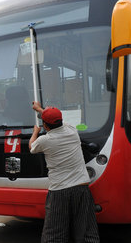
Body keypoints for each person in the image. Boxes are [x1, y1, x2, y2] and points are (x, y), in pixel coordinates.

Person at [29, 101, 99, 243]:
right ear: (61, 121)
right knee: (86, 232)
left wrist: (35, 132)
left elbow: (32, 147)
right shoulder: (72, 130)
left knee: (55, 234)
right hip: (81, 188)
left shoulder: (44, 140)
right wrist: (40, 109)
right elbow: (53, 119)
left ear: (45, 126)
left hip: (59, 191)